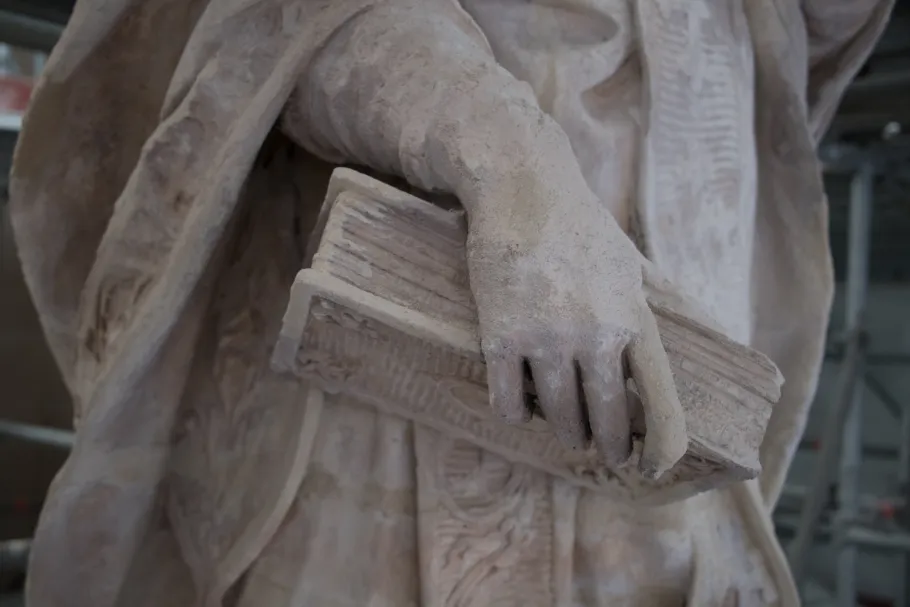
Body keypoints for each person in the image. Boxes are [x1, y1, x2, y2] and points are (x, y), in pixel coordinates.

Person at [9, 0, 893, 605]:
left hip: (671, 446)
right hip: (391, 436)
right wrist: (507, 162)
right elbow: (273, 24)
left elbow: (804, 47)